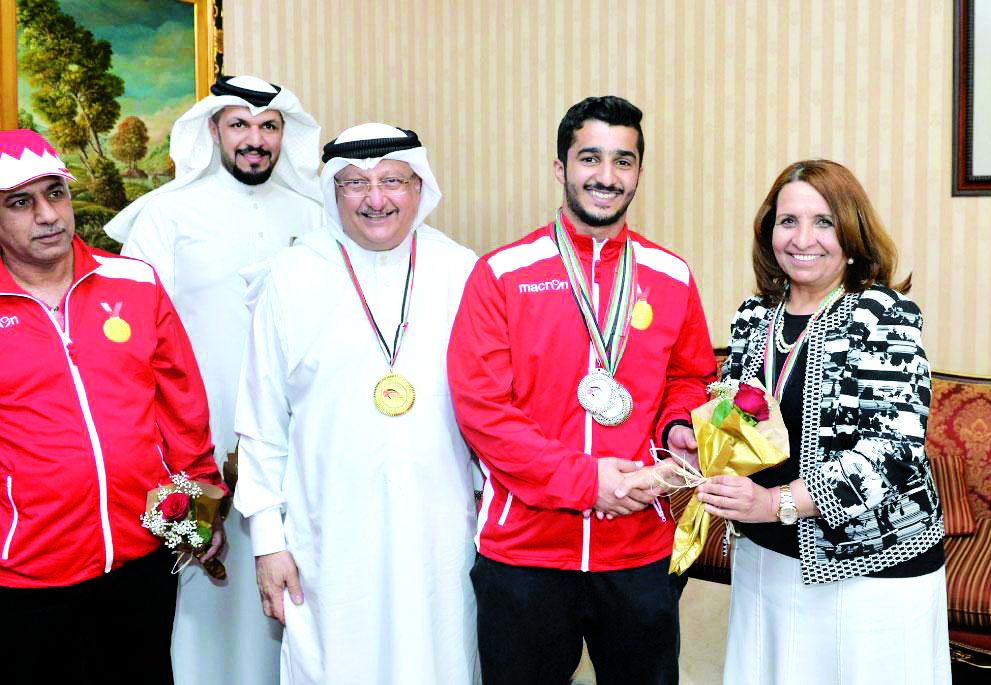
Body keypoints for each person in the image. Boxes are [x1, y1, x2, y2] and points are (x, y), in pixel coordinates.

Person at [446, 96, 717, 685]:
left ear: (639, 172)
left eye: (623, 160)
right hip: (526, 550)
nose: (606, 175)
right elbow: (484, 412)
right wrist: (588, 482)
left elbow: (689, 376)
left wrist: (677, 427)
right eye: (590, 158)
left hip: (639, 546)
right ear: (560, 167)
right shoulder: (501, 274)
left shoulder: (671, 275)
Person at [234, 122, 480, 684]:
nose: (375, 199)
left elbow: (493, 408)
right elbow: (261, 425)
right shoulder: (289, 277)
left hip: (441, 534)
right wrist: (268, 544)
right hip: (327, 540)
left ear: (419, 187)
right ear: (333, 192)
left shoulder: (462, 271)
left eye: (392, 180)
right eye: (355, 183)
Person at [104, 74, 323, 685]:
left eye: (269, 126)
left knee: (292, 585)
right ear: (213, 131)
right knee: (200, 590)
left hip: (291, 444)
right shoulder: (166, 215)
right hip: (189, 450)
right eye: (240, 125)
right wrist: (173, 464)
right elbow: (131, 348)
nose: (256, 139)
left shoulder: (314, 214)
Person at [696, 160, 948, 684]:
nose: (802, 239)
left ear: (851, 232)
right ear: (769, 231)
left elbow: (892, 453)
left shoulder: (882, 315)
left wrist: (775, 503)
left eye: (824, 222)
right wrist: (698, 444)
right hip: (765, 559)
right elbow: (734, 413)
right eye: (788, 221)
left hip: (870, 568)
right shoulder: (753, 316)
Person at [0, 128, 223, 683]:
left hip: (142, 558)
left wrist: (198, 512)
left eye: (56, 194)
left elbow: (181, 406)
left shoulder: (134, 282)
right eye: (20, 203)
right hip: (26, 574)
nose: (47, 215)